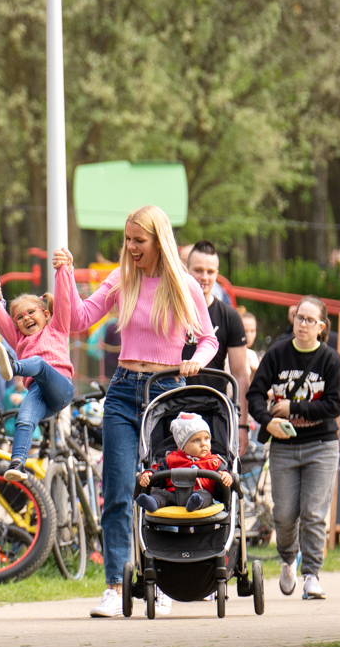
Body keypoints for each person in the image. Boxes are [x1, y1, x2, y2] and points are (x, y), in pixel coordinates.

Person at [60, 205, 218, 619]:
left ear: (158, 242)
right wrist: (65, 274)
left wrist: (195, 361)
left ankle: (163, 582)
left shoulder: (184, 285)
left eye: (138, 240)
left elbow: (209, 339)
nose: (130, 247)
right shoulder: (121, 279)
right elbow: (78, 318)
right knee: (116, 491)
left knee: (167, 487)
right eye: (127, 239)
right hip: (124, 390)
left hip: (166, 393)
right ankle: (115, 586)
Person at [246, 295, 340, 601]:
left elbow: (334, 405)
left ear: (321, 327)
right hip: (284, 446)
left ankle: (312, 575)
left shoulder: (330, 359)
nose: (303, 324)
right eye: (300, 317)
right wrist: (268, 421)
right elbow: (254, 394)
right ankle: (288, 558)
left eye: (310, 320)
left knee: (313, 513)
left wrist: (293, 407)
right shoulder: (277, 353)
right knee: (285, 514)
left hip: (322, 445)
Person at [0, 256, 77, 480]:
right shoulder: (19, 340)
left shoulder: (57, 328)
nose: (26, 319)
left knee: (40, 364)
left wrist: (62, 269)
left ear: (45, 314)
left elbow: (63, 300)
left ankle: (13, 366)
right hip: (39, 392)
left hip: (61, 386)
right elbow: (0, 318)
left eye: (31, 313)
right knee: (24, 418)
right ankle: (17, 465)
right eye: (20, 317)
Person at [185, 241, 252, 420]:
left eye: (210, 271)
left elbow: (240, 374)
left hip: (214, 408)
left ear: (217, 274)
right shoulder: (170, 311)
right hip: (173, 404)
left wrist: (242, 425)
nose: (204, 277)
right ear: (187, 271)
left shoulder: (229, 316)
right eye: (198, 270)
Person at [136, 412, 233, 512]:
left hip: (201, 492)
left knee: (204, 496)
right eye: (196, 440)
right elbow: (157, 472)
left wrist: (225, 476)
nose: (203, 444)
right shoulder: (171, 459)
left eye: (206, 438)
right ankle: (152, 502)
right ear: (182, 446)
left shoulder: (214, 462)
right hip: (173, 494)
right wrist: (149, 474)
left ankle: (195, 503)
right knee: (161, 494)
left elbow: (222, 476)